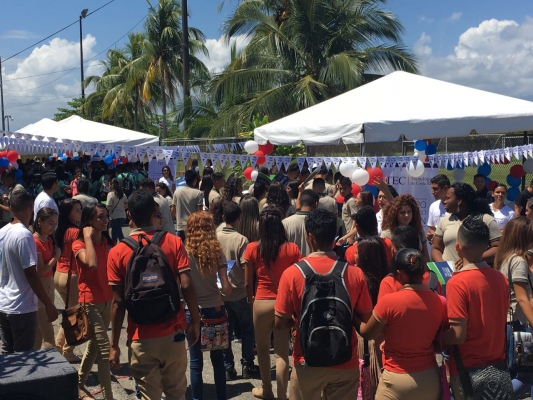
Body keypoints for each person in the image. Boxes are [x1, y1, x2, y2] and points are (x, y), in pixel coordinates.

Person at [108, 190, 201, 400]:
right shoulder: (173, 242)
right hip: (173, 332)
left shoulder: (117, 252)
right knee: (177, 394)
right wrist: (194, 321)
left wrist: (114, 345)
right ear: (154, 212)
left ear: (128, 214)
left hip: (141, 337)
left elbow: (118, 302)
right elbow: (186, 285)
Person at [275, 209, 372, 400]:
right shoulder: (354, 273)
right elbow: (366, 319)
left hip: (307, 360)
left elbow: (279, 323)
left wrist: (298, 321)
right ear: (335, 236)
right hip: (345, 360)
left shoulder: (292, 273)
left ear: (309, 237)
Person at [357, 248, 446, 400]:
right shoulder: (441, 302)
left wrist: (354, 316)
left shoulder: (389, 302)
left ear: (398, 274)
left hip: (395, 379)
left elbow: (368, 333)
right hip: (429, 378)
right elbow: (441, 341)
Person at [443, 217, 512, 399]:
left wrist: (436, 337)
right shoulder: (501, 279)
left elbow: (458, 334)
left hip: (467, 368)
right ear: (486, 247)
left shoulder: (457, 283)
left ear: (458, 248)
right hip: (497, 368)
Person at [245, 207, 301, 399]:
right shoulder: (291, 249)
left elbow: (247, 282)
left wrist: (250, 301)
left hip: (261, 301)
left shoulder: (252, 248)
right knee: (281, 353)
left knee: (261, 349)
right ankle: (282, 394)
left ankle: (267, 390)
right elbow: (297, 278)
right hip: (283, 304)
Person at [0, 190, 59, 353]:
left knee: (7, 357)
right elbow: (32, 274)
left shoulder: (2, 232)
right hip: (21, 307)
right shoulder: (24, 236)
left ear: (10, 208)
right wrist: (48, 304)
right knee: (23, 357)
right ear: (31, 208)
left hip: (4, 304)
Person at [185, 211, 232, 400]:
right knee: (217, 360)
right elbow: (226, 288)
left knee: (195, 363)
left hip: (192, 310)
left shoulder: (184, 251)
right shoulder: (216, 251)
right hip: (215, 309)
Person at [73, 203, 115, 400]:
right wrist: (88, 237)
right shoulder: (79, 244)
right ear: (89, 221)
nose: (105, 219)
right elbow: (91, 264)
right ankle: (109, 397)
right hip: (89, 301)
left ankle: (79, 383)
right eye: (100, 217)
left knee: (95, 347)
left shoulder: (107, 243)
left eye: (106, 216)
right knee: (105, 351)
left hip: (107, 300)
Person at [217, 201, 260, 381]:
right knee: (248, 329)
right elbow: (246, 268)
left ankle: (228, 368)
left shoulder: (215, 237)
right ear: (239, 218)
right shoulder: (241, 240)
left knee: (225, 331)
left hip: (220, 293)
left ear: (223, 218)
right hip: (240, 293)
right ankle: (247, 364)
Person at [493, 216, 533, 396]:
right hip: (519, 327)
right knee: (526, 376)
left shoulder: (504, 258)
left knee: (512, 372)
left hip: (508, 324)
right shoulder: (518, 261)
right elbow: (522, 298)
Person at [432, 182, 500, 267]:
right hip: (448, 276)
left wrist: (473, 259)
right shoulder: (444, 221)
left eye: (448, 198)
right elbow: (436, 248)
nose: (444, 202)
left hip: (475, 275)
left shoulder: (486, 220)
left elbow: (498, 249)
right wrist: (443, 266)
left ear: (459, 201)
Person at [352, 236, 388, 395]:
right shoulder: (388, 280)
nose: (354, 256)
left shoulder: (358, 280)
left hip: (363, 341)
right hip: (383, 341)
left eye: (357, 252)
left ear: (365, 256)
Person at [54, 198, 83, 362]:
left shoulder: (60, 229)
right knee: (73, 317)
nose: (80, 213)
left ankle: (59, 347)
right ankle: (68, 351)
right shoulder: (75, 232)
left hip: (59, 274)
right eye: (76, 210)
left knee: (68, 314)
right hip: (71, 276)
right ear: (68, 214)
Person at [32, 207, 60, 351]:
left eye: (55, 223)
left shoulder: (48, 239)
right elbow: (41, 270)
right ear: (39, 221)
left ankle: (34, 362)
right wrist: (56, 256)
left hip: (49, 285)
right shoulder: (35, 241)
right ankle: (54, 370)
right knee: (48, 333)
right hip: (41, 288)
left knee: (39, 332)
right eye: (50, 223)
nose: (53, 227)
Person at [381, 194, 429, 260]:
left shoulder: (419, 230)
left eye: (409, 212)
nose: (406, 215)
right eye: (402, 212)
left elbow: (426, 256)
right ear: (395, 214)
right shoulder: (387, 234)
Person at [283, 190, 319, 257]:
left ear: (299, 204)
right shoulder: (320, 223)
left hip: (292, 266)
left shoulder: (285, 223)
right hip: (312, 265)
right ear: (316, 205)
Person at [171, 170, 204, 241]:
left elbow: (173, 210)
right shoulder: (199, 193)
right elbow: (199, 212)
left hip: (180, 227)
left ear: (185, 179)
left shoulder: (177, 192)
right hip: (193, 227)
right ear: (195, 180)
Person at [427, 174, 450, 243]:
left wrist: (437, 237)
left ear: (445, 188)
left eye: (435, 189)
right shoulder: (433, 206)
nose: (432, 192)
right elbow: (431, 228)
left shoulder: (456, 206)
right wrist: (431, 235)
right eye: (432, 189)